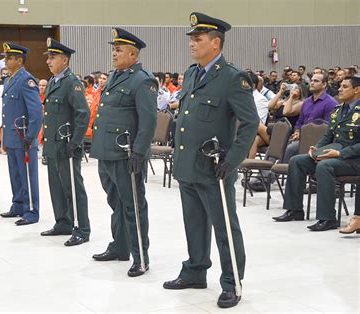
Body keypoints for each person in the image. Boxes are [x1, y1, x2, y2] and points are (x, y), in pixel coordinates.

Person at [163, 13, 258, 309]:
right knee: (193, 223)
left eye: (198, 38)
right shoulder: (192, 73)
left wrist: (233, 159)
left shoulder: (232, 78)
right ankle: (195, 270)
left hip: (215, 167)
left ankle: (232, 283)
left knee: (224, 227)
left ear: (215, 43)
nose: (192, 43)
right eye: (191, 38)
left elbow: (251, 122)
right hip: (188, 164)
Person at [89, 27, 157, 277]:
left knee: (133, 205)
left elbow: (148, 122)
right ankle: (119, 247)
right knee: (115, 202)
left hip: (126, 154)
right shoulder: (115, 76)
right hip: (107, 152)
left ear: (133, 53)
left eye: (119, 50)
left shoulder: (143, 80)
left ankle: (140, 257)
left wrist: (139, 153)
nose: (114, 54)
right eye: (114, 49)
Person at [273, 77, 360, 231]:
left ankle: (328, 218)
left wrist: (339, 153)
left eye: (345, 86)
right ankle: (294, 210)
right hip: (333, 153)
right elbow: (328, 136)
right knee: (297, 161)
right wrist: (316, 148)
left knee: (324, 166)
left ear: (357, 90)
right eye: (340, 86)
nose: (339, 89)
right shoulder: (338, 110)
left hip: (353, 160)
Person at [39, 38, 91, 246]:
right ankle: (63, 221)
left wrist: (76, 142)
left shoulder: (71, 82)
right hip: (53, 145)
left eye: (53, 57)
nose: (48, 61)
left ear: (65, 60)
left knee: (73, 188)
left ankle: (82, 228)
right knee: (56, 187)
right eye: (48, 57)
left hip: (67, 145)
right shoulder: (53, 81)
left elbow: (83, 114)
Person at [0, 43, 41, 226]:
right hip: (12, 136)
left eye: (9, 58)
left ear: (19, 60)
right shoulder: (9, 80)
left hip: (24, 137)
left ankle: (31, 210)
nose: (5, 61)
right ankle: (18, 204)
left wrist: (30, 136)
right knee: (15, 173)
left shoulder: (26, 80)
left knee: (27, 175)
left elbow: (36, 112)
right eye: (6, 57)